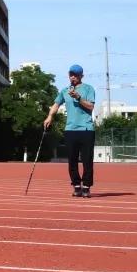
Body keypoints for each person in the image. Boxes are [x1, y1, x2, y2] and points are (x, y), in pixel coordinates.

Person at [43, 64, 97, 197]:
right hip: (70, 129)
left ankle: (86, 186)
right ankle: (77, 185)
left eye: (76, 75)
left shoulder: (88, 89)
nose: (73, 77)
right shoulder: (64, 90)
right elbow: (56, 104)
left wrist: (78, 97)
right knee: (72, 160)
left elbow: (90, 106)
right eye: (71, 74)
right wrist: (50, 116)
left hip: (86, 129)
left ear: (81, 76)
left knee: (87, 160)